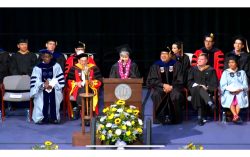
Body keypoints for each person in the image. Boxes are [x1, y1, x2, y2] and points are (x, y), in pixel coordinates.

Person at [146, 48, 184, 124]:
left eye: (165, 54)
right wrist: (163, 85)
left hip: (174, 87)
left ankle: (174, 119)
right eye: (162, 54)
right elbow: (151, 80)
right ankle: (160, 118)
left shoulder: (177, 65)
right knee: (156, 95)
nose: (163, 56)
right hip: (160, 88)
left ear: (170, 55)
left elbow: (180, 80)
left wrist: (171, 87)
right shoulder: (155, 65)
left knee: (176, 95)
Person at [30, 49, 65, 124]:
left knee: (55, 97)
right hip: (41, 88)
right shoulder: (38, 68)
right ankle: (41, 118)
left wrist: (51, 84)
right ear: (42, 57)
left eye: (48, 57)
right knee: (39, 99)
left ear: (51, 57)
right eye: (44, 57)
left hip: (54, 87)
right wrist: (43, 85)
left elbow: (59, 79)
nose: (47, 58)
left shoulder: (56, 66)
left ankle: (54, 118)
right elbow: (35, 80)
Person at [67, 53, 102, 124]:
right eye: (82, 61)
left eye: (85, 61)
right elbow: (69, 80)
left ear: (88, 60)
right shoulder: (74, 68)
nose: (83, 62)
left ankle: (79, 108)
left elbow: (99, 80)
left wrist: (91, 82)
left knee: (86, 92)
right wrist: (76, 83)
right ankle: (87, 117)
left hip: (91, 88)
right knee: (83, 92)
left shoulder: (93, 68)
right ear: (78, 61)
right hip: (78, 88)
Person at [188, 53, 218, 126]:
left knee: (200, 93)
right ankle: (210, 103)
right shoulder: (193, 69)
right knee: (199, 88)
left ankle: (200, 117)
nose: (199, 60)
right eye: (198, 59)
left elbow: (214, 84)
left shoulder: (211, 70)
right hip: (194, 90)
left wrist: (207, 87)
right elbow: (189, 81)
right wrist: (199, 86)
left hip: (207, 91)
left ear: (206, 61)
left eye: (201, 59)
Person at [220, 56, 249, 124]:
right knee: (230, 96)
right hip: (229, 91)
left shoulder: (242, 72)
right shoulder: (225, 72)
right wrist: (230, 90)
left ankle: (235, 116)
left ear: (236, 63)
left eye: (232, 62)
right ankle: (236, 115)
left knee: (240, 95)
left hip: (240, 90)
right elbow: (223, 84)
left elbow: (245, 84)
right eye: (229, 62)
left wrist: (240, 89)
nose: (230, 64)